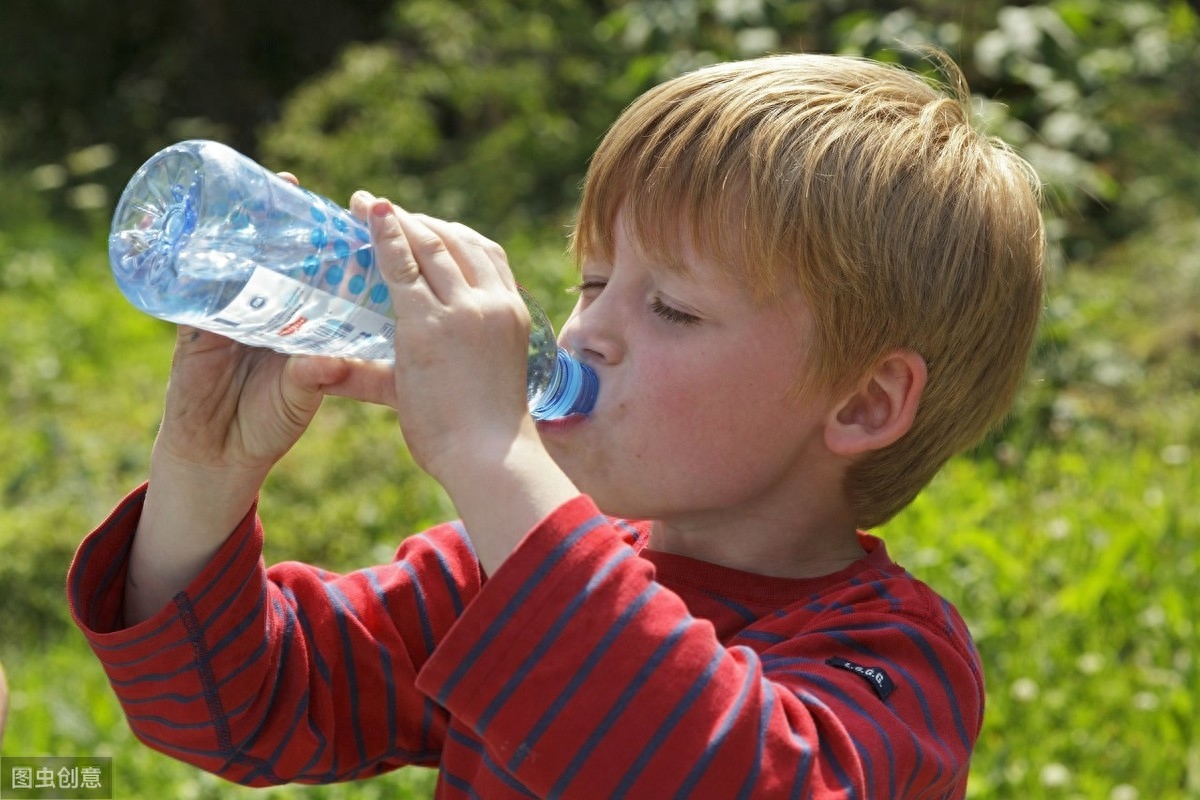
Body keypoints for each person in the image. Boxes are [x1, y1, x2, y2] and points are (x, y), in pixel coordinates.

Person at [67, 51, 1044, 798]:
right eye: (593, 279)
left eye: (674, 308)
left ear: (863, 402)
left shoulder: (894, 658)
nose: (588, 329)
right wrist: (202, 474)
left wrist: (496, 461)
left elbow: (722, 770)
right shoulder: (489, 576)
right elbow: (240, 707)